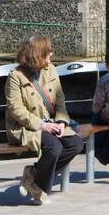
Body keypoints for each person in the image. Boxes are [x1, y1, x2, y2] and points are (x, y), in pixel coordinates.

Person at [6, 35, 83, 205]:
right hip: (26, 126)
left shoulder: (51, 70)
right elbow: (15, 109)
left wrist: (62, 122)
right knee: (54, 147)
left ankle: (33, 174)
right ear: (38, 54)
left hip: (52, 122)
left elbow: (60, 100)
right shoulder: (15, 76)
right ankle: (39, 189)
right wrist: (42, 125)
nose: (52, 54)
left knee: (76, 144)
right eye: (48, 51)